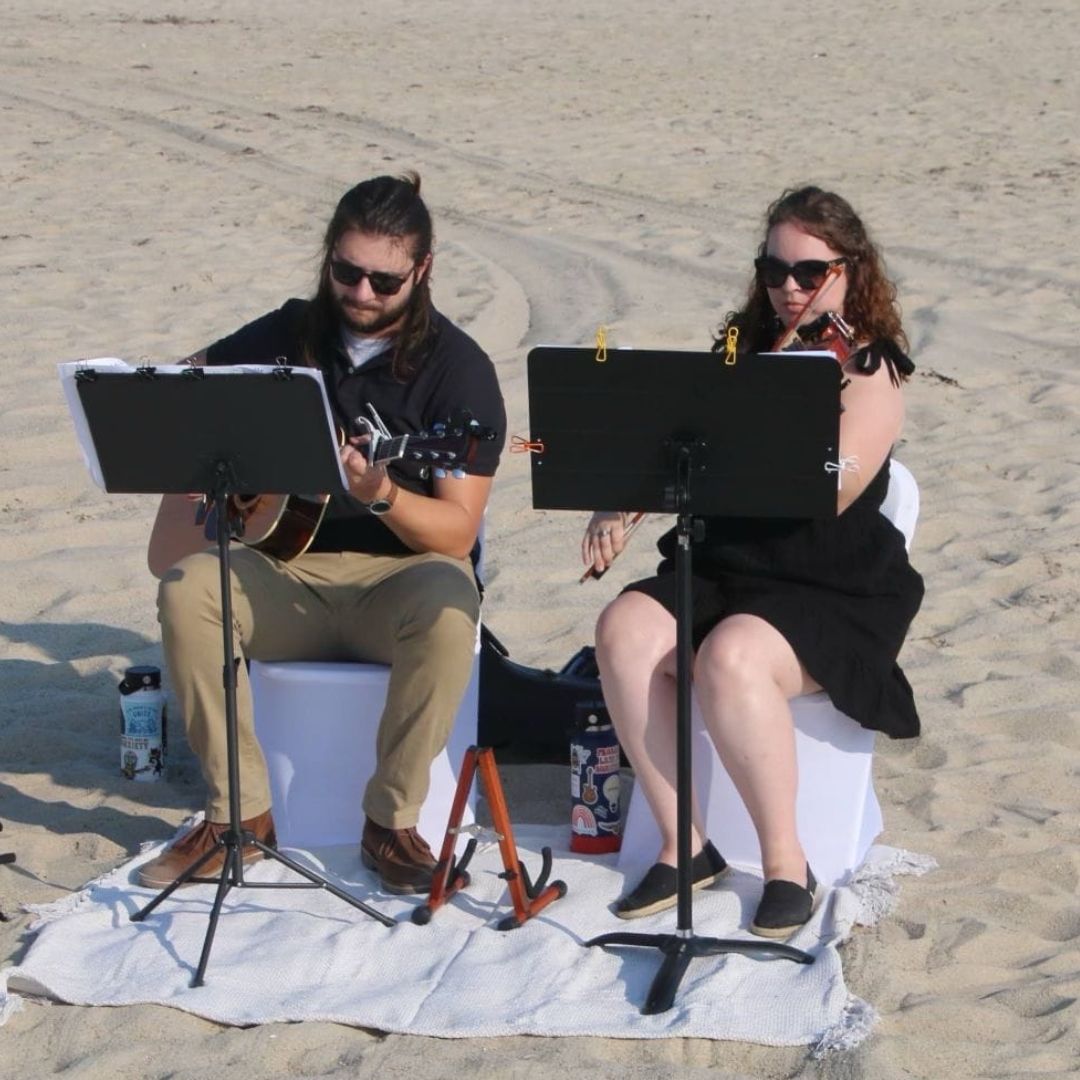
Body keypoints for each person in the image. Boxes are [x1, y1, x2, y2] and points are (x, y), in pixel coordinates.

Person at [137, 172, 506, 895]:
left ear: (422, 271)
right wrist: (210, 465)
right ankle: (237, 817)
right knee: (185, 589)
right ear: (328, 257)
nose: (363, 294)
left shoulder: (460, 373)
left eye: (384, 280)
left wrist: (382, 494)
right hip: (283, 575)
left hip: (397, 582)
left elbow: (457, 534)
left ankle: (391, 823)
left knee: (450, 606)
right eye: (347, 272)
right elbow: (185, 388)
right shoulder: (286, 331)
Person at [582, 185, 923, 937]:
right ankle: (685, 844)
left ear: (850, 271)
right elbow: (680, 448)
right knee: (623, 630)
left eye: (809, 272)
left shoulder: (870, 369)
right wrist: (626, 504)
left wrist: (790, 403)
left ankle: (784, 864)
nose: (788, 288)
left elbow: (835, 493)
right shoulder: (742, 350)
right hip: (728, 567)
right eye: (774, 270)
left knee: (733, 656)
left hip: (827, 580)